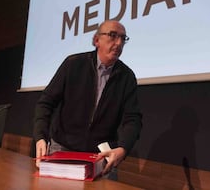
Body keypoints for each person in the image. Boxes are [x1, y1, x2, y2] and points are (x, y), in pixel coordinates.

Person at [33, 20, 142, 177]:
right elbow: (46, 103)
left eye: (123, 38)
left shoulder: (127, 76)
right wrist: (40, 137)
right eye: (112, 36)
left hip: (101, 155)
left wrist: (123, 148)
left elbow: (132, 118)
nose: (118, 43)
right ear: (96, 40)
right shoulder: (73, 64)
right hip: (63, 147)